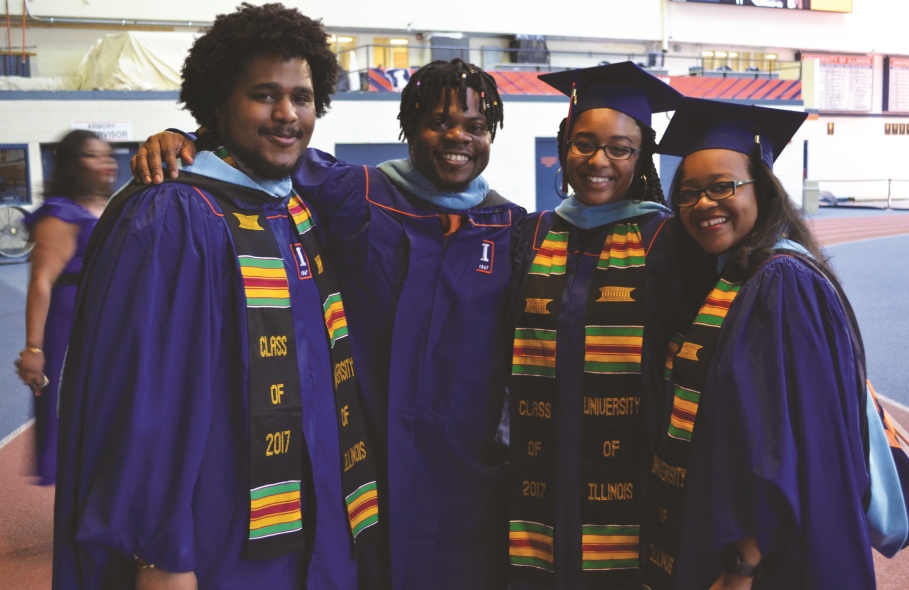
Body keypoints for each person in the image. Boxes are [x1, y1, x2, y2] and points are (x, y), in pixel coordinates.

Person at [131, 58, 523, 590]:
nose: (457, 136)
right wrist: (185, 136)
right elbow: (262, 146)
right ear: (409, 126)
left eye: (476, 127)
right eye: (438, 121)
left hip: (466, 482)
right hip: (362, 474)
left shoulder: (513, 228)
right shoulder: (353, 192)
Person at [53, 4, 374, 589]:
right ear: (218, 104)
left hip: (316, 533)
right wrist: (160, 556)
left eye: (301, 97)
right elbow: (146, 400)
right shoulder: (175, 213)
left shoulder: (294, 204)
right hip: (219, 540)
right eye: (263, 95)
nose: (287, 115)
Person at [642, 97, 875, 589]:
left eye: (722, 186)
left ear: (762, 190)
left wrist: (741, 567)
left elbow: (778, 446)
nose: (704, 203)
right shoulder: (738, 276)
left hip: (768, 554)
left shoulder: (782, 281)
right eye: (688, 192)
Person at [506, 62, 712, 589]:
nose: (599, 161)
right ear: (564, 147)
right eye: (584, 144)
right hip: (539, 478)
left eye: (620, 148)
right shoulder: (531, 236)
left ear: (640, 157)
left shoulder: (669, 243)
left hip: (637, 479)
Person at [14, 129, 116, 486]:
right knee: (74, 414)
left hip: (107, 320)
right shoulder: (61, 213)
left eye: (107, 154)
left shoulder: (110, 205)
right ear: (73, 164)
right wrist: (34, 348)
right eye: (93, 155)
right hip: (70, 323)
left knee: (109, 413)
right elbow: (41, 281)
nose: (105, 162)